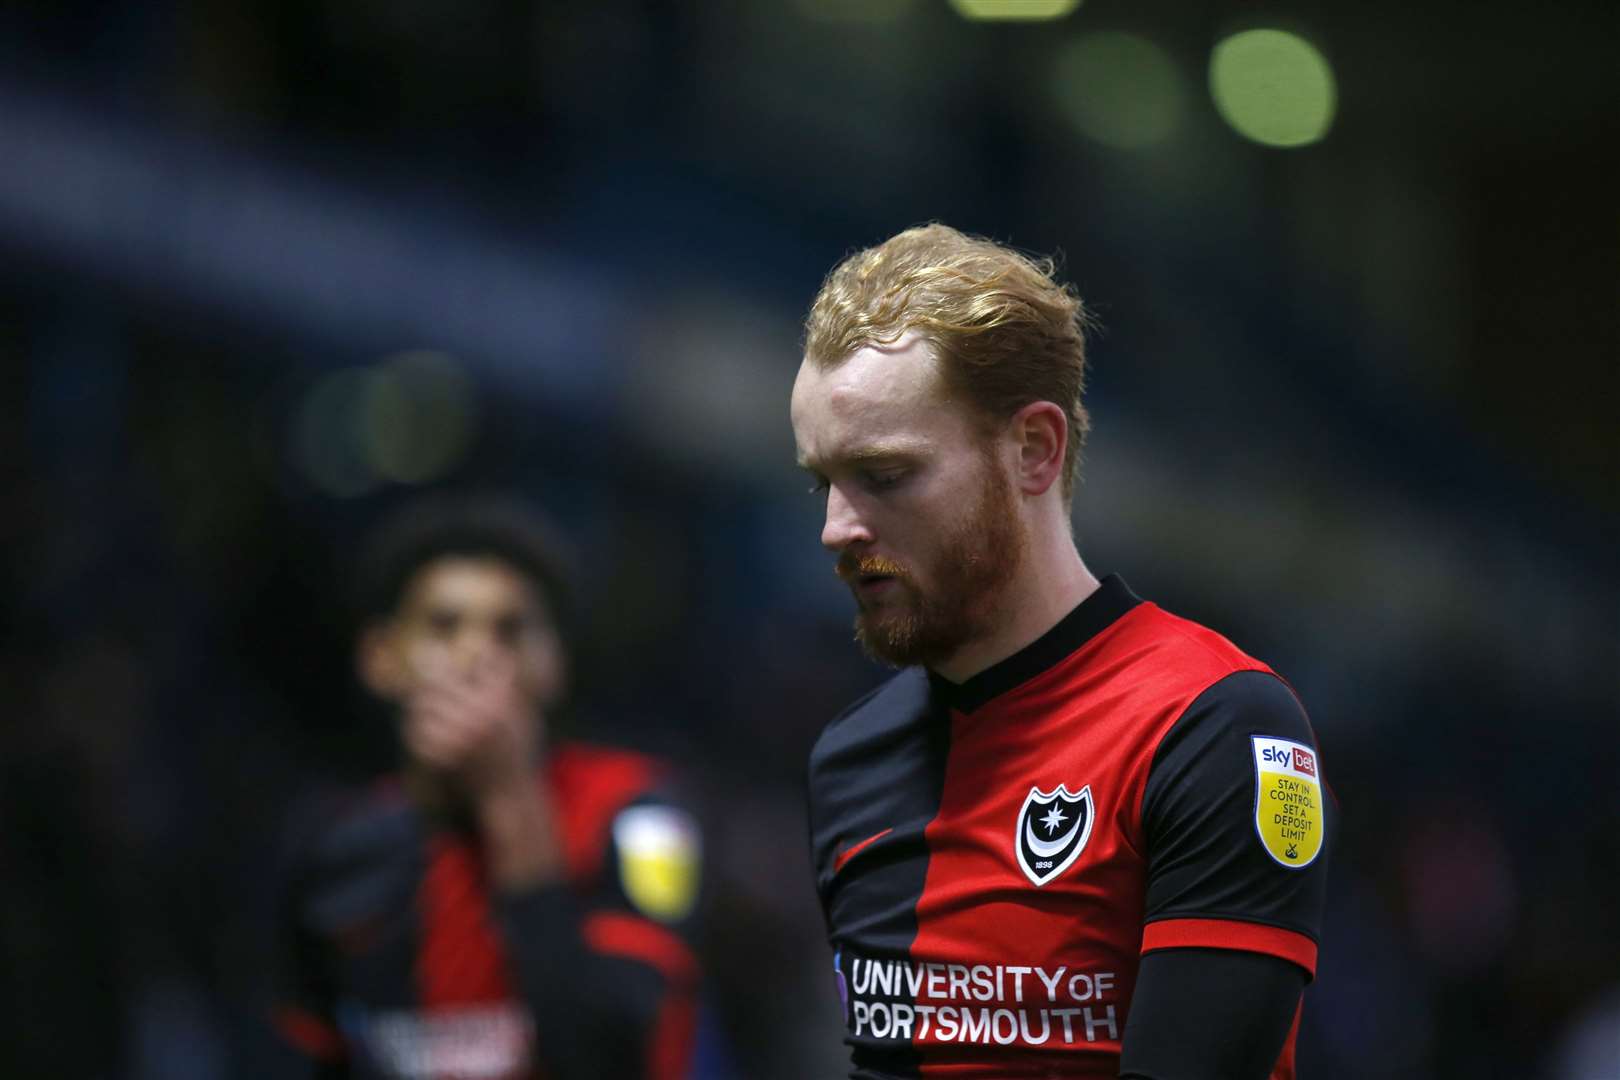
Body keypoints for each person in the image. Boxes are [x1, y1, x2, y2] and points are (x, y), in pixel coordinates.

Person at [791, 224, 1333, 1079]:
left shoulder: (1216, 729)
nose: (836, 530)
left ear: (1034, 450)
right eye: (823, 482)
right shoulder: (847, 760)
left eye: (885, 476)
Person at [272, 495, 702, 1080]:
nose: (476, 655)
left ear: (552, 664)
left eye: (511, 629)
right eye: (443, 626)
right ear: (381, 658)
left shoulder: (640, 816)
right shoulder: (335, 849)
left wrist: (509, 797)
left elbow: (616, 1057)